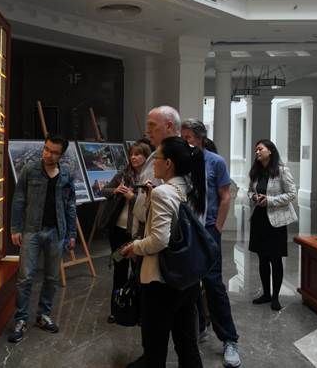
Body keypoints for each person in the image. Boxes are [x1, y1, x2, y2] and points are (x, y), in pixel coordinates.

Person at [121, 137, 206, 368]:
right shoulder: (191, 188)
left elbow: (159, 240)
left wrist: (134, 247)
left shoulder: (163, 192)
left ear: (168, 163)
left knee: (155, 351)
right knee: (187, 345)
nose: (153, 163)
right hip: (187, 277)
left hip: (161, 281)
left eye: (156, 158)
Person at [181, 119, 241, 368]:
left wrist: (217, 227)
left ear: (200, 138)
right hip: (187, 230)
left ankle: (229, 339)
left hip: (208, 230)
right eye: (182, 137)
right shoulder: (182, 161)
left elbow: (225, 196)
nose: (185, 142)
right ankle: (199, 326)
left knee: (213, 283)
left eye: (188, 137)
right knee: (189, 282)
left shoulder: (216, 162)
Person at [8, 135, 77, 343]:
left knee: (52, 277)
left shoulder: (66, 174)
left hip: (56, 231)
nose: (48, 154)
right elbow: (19, 199)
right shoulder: (30, 170)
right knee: (25, 277)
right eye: (46, 149)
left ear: (61, 155)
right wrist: (15, 227)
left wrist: (72, 233)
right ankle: (21, 319)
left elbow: (70, 205)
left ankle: (43, 315)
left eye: (54, 152)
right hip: (32, 230)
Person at [101, 142, 151, 323]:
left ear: (146, 156)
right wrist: (115, 190)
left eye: (138, 154)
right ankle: (116, 310)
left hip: (139, 233)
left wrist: (133, 197)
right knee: (119, 270)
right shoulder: (123, 175)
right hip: (118, 231)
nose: (134, 157)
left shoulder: (149, 178)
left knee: (139, 272)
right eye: (132, 154)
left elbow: (150, 205)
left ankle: (138, 311)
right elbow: (103, 190)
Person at [248, 139, 297, 311]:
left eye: (260, 149)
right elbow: (250, 191)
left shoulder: (282, 171)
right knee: (262, 258)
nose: (257, 152)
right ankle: (266, 294)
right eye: (256, 150)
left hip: (276, 222)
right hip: (259, 219)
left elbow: (292, 194)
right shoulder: (256, 172)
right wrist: (254, 197)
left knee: (275, 259)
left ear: (270, 151)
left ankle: (275, 297)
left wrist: (270, 200)